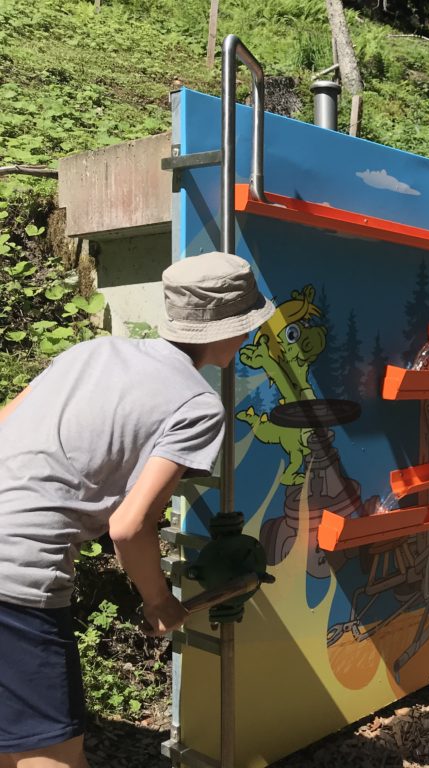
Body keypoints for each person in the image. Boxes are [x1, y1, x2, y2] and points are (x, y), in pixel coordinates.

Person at [0, 252, 274, 768]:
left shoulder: (91, 351)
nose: (248, 337)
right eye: (248, 325)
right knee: (51, 754)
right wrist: (159, 602)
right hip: (17, 573)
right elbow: (130, 526)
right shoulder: (196, 404)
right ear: (229, 330)